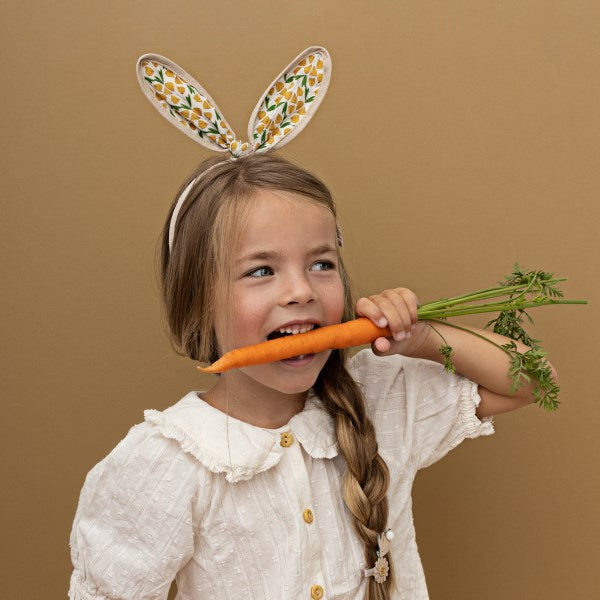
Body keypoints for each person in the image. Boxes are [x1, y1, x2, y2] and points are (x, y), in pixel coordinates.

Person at [68, 48, 557, 600]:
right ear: (198, 302)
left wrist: (421, 338)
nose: (300, 290)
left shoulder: (379, 396)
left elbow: (531, 379)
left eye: (321, 263)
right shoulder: (169, 462)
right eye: (260, 270)